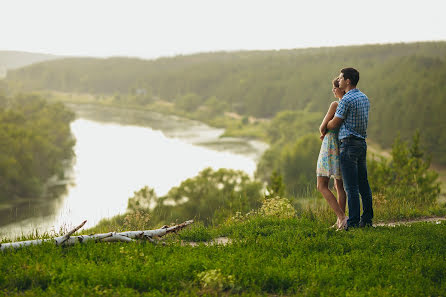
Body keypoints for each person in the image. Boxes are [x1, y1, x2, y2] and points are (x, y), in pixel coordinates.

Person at [327, 67, 373, 229]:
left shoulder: (346, 100)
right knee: (364, 185)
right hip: (361, 144)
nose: (338, 81)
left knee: (351, 187)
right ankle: (366, 220)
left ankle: (352, 223)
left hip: (348, 145)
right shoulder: (364, 97)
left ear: (347, 81)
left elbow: (334, 124)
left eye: (340, 78)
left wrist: (327, 123)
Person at [317, 78, 347, 230]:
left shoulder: (335, 104)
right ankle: (340, 221)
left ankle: (341, 217)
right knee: (339, 185)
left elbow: (322, 127)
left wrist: (324, 131)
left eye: (335, 87)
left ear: (341, 89)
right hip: (340, 144)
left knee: (321, 185)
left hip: (329, 145)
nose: (333, 90)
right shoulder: (348, 105)